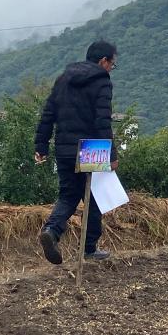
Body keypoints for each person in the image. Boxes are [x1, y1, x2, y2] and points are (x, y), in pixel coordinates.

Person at [34, 40, 120, 265]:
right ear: (103, 61)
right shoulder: (102, 82)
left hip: (64, 147)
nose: (111, 68)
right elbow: (103, 121)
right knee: (94, 197)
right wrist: (111, 155)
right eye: (112, 64)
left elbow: (48, 114)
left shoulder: (63, 79)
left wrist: (41, 146)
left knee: (68, 195)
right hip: (91, 148)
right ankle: (89, 248)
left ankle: (52, 231)